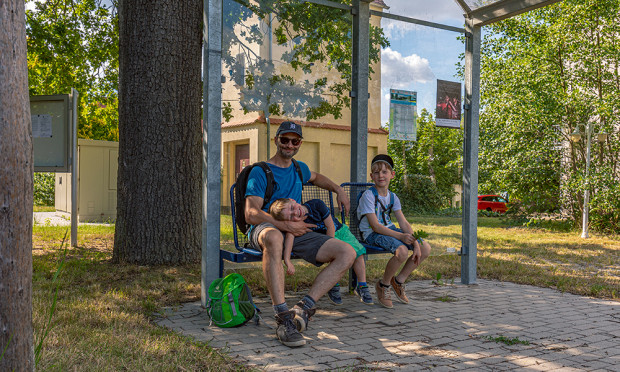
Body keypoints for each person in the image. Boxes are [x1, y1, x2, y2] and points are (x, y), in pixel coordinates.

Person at [244, 121, 355, 348]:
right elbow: (251, 213)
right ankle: (283, 319)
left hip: (298, 232)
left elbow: (316, 177)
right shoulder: (261, 171)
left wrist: (338, 189)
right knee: (274, 238)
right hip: (265, 228)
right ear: (276, 140)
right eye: (285, 139)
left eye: (295, 141)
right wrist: (284, 227)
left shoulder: (298, 168)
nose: (289, 144)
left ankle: (303, 309)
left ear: (299, 144)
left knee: (347, 252)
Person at [357, 154, 431, 308]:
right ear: (371, 176)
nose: (380, 176)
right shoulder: (368, 196)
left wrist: (416, 242)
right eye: (376, 173)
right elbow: (375, 227)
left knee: (425, 248)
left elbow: (403, 222)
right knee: (402, 251)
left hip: (389, 229)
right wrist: (401, 237)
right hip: (372, 234)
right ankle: (383, 285)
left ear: (392, 175)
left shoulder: (393, 197)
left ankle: (398, 281)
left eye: (384, 172)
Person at [269, 198, 374, 305]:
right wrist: (287, 260)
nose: (295, 213)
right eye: (291, 217)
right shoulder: (297, 223)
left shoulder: (316, 204)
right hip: (326, 238)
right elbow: (289, 237)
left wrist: (332, 243)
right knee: (336, 257)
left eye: (292, 207)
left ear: (293, 200)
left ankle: (362, 285)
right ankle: (333, 285)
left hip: (339, 231)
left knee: (359, 253)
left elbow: (330, 226)